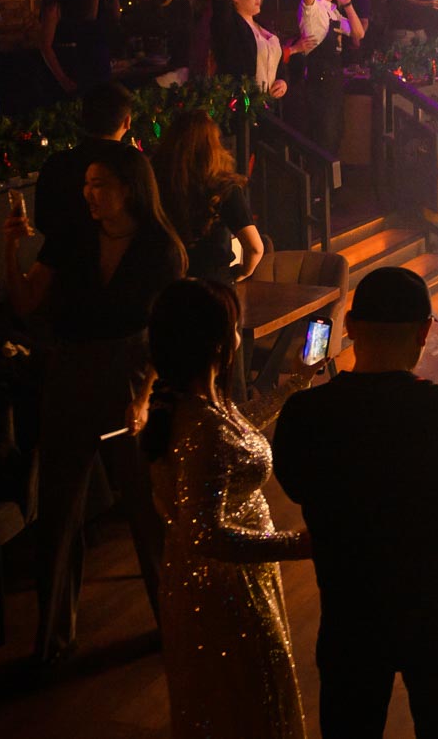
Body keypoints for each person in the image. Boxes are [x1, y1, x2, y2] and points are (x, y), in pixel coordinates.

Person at [273, 267, 438, 739]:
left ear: (349, 327)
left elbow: (297, 486)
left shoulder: (305, 414)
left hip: (349, 608)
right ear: (423, 332)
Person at [4, 139, 184, 664]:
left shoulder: (160, 248)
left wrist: (144, 397)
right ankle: (52, 640)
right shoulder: (72, 236)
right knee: (58, 512)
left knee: (146, 508)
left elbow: (164, 333)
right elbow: (27, 301)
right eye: (86, 184)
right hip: (70, 372)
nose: (89, 193)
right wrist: (10, 250)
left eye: (99, 184)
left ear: (129, 188)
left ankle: (173, 625)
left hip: (129, 374)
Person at [142, 280, 309, 739]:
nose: (239, 335)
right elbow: (205, 533)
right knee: (250, 702)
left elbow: (239, 436)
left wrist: (295, 383)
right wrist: (298, 545)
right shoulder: (201, 428)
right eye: (235, 327)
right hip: (224, 588)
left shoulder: (193, 403)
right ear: (218, 342)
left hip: (220, 578)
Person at [34, 82, 134, 272]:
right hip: (122, 268)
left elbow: (43, 220)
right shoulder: (132, 165)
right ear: (127, 121)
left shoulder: (56, 164)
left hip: (65, 269)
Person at [156, 111, 263, 284]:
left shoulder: (156, 182)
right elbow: (255, 248)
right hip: (213, 286)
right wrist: (243, 272)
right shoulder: (223, 187)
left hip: (168, 283)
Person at [289, 0, 364, 157]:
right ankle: (317, 177)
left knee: (336, 136)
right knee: (323, 140)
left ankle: (330, 177)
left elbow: (359, 33)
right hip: (319, 85)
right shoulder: (313, 8)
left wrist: (347, 4)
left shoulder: (333, 11)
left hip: (334, 83)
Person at [39, 0, 119, 98]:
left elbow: (112, 17)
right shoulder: (55, 5)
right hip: (70, 68)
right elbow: (45, 46)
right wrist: (63, 80)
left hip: (94, 66)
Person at [209, 0, 288, 98]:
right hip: (245, 102)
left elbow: (278, 64)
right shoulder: (231, 27)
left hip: (271, 102)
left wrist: (282, 81)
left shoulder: (264, 27)